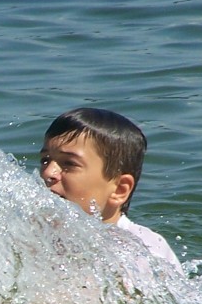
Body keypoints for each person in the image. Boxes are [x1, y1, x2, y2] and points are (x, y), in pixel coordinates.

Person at [39, 107, 182, 271]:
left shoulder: (144, 252)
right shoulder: (33, 233)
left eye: (69, 163)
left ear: (119, 189)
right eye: (45, 160)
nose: (48, 173)